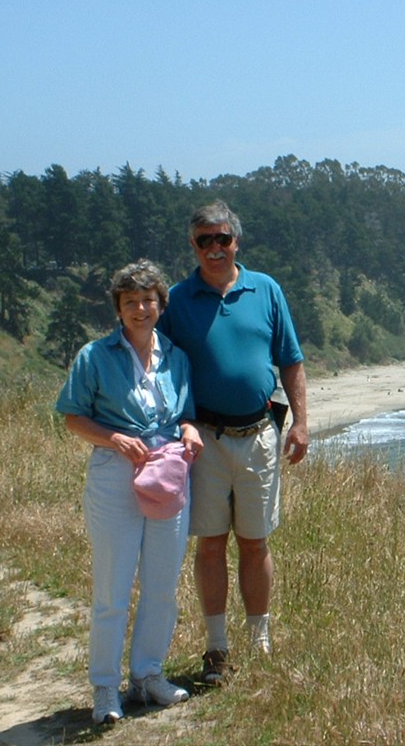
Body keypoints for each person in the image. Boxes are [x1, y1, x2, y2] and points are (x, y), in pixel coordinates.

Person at [157, 200, 308, 686]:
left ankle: (259, 640)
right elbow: (155, 363)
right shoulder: (178, 300)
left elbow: (291, 360)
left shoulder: (265, 290)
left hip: (261, 434)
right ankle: (217, 646)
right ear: (193, 245)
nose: (215, 248)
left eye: (223, 238)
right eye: (205, 240)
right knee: (210, 544)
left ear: (236, 240)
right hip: (204, 439)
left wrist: (301, 423)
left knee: (256, 541)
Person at [56, 259, 204, 725]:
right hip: (114, 477)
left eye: (148, 300)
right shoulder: (95, 357)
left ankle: (147, 677)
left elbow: (185, 413)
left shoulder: (176, 357)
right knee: (113, 589)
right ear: (118, 309)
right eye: (130, 302)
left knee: (162, 585)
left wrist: (190, 429)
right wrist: (113, 438)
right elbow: (72, 416)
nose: (141, 309)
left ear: (161, 303)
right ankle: (105, 689)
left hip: (168, 475)